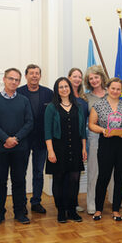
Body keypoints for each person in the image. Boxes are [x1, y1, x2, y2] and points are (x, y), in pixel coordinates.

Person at [0, 68, 33, 226]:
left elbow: (29, 122)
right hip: (0, 149)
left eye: (17, 80)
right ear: (4, 79)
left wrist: (16, 138)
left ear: (19, 82)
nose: (14, 82)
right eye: (11, 79)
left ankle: (20, 212)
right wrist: (6, 138)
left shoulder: (24, 100)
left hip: (20, 148)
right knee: (0, 181)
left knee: (19, 180)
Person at [89, 78, 122, 221]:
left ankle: (116, 209)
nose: (115, 91)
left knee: (120, 177)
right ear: (108, 88)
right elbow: (91, 124)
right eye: (113, 88)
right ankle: (98, 209)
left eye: (118, 89)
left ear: (121, 91)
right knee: (103, 177)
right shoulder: (98, 105)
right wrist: (103, 130)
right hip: (106, 144)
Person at [44, 77, 87, 223]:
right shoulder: (51, 107)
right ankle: (61, 211)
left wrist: (84, 148)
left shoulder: (78, 106)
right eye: (60, 87)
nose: (64, 89)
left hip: (75, 147)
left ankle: (72, 210)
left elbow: (82, 130)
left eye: (66, 86)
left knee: (74, 180)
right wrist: (50, 151)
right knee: (59, 179)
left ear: (70, 88)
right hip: (58, 148)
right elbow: (47, 131)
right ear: (57, 90)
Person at [17, 64, 53, 214]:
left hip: (41, 139)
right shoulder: (18, 92)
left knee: (38, 172)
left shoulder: (48, 93)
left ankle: (36, 201)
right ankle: (21, 202)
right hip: (22, 138)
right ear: (26, 76)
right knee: (21, 172)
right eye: (31, 73)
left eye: (37, 73)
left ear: (40, 76)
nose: (34, 76)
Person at [84, 65, 108, 215]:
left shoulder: (112, 93)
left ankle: (111, 199)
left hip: (112, 136)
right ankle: (91, 202)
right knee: (94, 170)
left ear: (101, 77)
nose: (94, 80)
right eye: (91, 78)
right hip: (94, 136)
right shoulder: (86, 97)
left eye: (96, 77)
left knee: (110, 169)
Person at [68, 68, 89, 212]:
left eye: (79, 77)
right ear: (68, 78)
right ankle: (63, 204)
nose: (77, 79)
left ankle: (74, 203)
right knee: (64, 174)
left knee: (75, 174)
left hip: (79, 140)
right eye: (74, 76)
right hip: (64, 141)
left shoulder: (84, 99)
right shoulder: (62, 96)